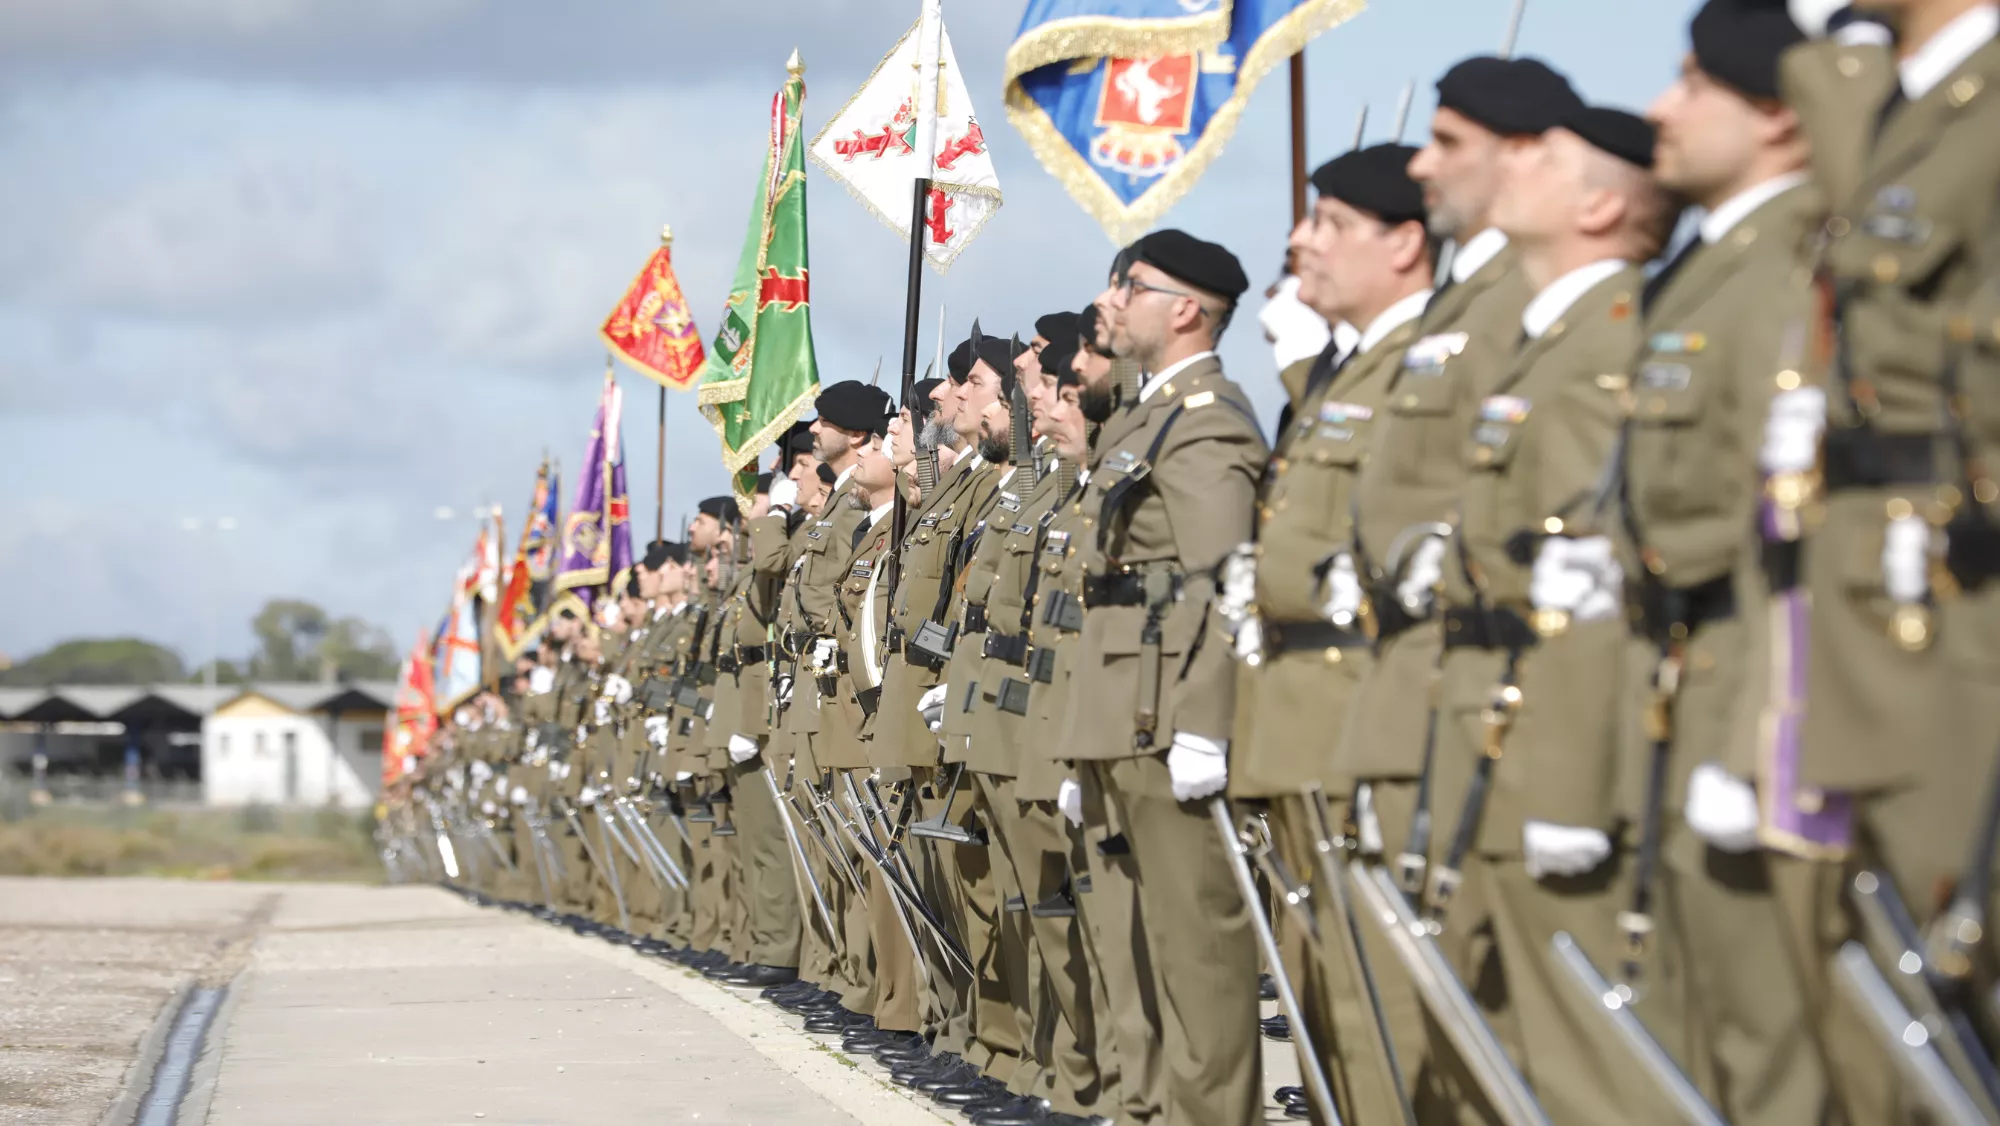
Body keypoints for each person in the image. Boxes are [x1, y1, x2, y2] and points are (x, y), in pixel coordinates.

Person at [1436, 102, 1680, 1125]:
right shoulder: (1551, 336)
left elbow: (1587, 586)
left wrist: (1571, 780)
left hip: (1553, 742)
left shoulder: (1602, 338)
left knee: (1581, 1065)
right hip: (1500, 721)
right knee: (1506, 1042)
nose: (1510, 172)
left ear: (1598, 202)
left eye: (1540, 159)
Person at [1620, 4, 1830, 1121]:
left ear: (1776, 116)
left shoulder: (1792, 257)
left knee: (1770, 1056)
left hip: (1754, 694)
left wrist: (1760, 731)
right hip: (1683, 689)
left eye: (1693, 80)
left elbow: (1795, 533)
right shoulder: (1714, 264)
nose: (1663, 104)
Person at [1227, 141, 1436, 1126]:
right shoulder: (1350, 368)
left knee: (1376, 994)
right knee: (1325, 983)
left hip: (1364, 706)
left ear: (1404, 242)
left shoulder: (1426, 358)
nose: (1300, 242)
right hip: (1303, 711)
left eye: (1331, 225)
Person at [1065, 228, 1269, 1126]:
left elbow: (1227, 580)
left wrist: (1205, 721)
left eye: (1129, 285)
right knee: (1141, 944)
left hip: (1163, 716)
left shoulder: (1207, 418)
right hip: (1119, 714)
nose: (1112, 299)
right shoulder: (1148, 417)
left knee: (1199, 962)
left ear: (1186, 310)